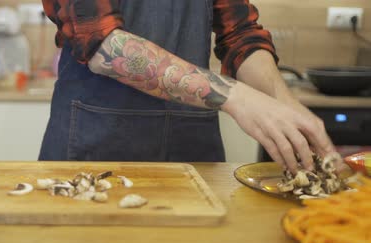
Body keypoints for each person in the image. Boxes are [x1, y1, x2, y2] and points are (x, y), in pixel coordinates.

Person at [38, 0, 337, 173]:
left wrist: (285, 105)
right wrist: (237, 97)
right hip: (94, 150)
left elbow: (240, 34)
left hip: (191, 148)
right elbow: (103, 46)